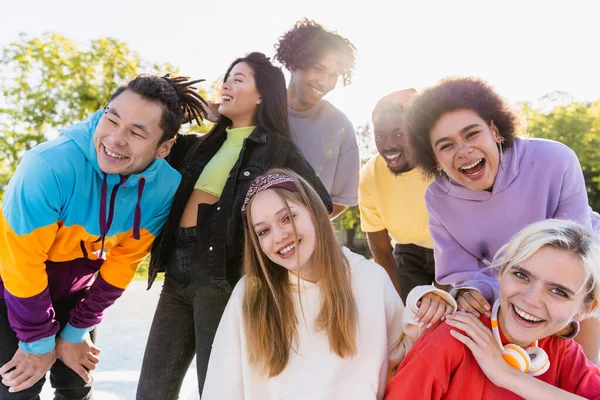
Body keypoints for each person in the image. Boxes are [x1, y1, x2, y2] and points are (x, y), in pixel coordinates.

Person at [136, 53, 333, 399]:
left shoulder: (275, 148)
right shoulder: (199, 144)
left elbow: (319, 203)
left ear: (262, 96)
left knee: (215, 391)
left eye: (238, 79)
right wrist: (207, 113)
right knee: (152, 391)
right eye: (226, 78)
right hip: (175, 274)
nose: (226, 84)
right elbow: (155, 132)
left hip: (222, 275)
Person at [0, 73, 207, 398]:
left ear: (164, 147)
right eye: (111, 119)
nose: (115, 139)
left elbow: (122, 264)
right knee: (18, 387)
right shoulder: (47, 165)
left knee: (77, 387)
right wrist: (37, 341)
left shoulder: (164, 187)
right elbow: (20, 263)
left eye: (137, 132)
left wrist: (77, 330)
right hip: (11, 289)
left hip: (75, 294)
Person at [202, 168, 456, 400]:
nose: (279, 236)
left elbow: (405, 359)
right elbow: (222, 387)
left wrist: (423, 301)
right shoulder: (250, 294)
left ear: (314, 211)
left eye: (287, 217)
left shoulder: (369, 279)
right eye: (263, 231)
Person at [407, 76, 600, 363]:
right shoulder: (438, 199)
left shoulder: (556, 159)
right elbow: (458, 275)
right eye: (446, 146)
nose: (463, 151)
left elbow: (574, 253)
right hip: (511, 285)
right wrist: (472, 291)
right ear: (435, 159)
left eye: (472, 134)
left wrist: (564, 312)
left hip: (585, 270)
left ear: (495, 130)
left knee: (580, 369)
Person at [385, 219, 600, 399]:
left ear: (585, 309)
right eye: (521, 275)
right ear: (500, 272)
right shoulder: (453, 337)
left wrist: (507, 376)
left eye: (559, 292)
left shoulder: (562, 352)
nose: (531, 299)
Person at [359, 88, 441, 302]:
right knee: (406, 315)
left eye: (398, 133)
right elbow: (381, 250)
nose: (389, 145)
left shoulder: (440, 162)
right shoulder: (369, 176)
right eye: (380, 136)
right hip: (408, 251)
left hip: (451, 246)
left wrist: (444, 296)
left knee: (449, 315)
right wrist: (398, 305)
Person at [274, 18, 360, 218]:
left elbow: (339, 201)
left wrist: (299, 224)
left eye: (334, 75)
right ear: (294, 62)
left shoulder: (341, 127)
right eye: (318, 69)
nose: (324, 82)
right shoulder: (258, 110)